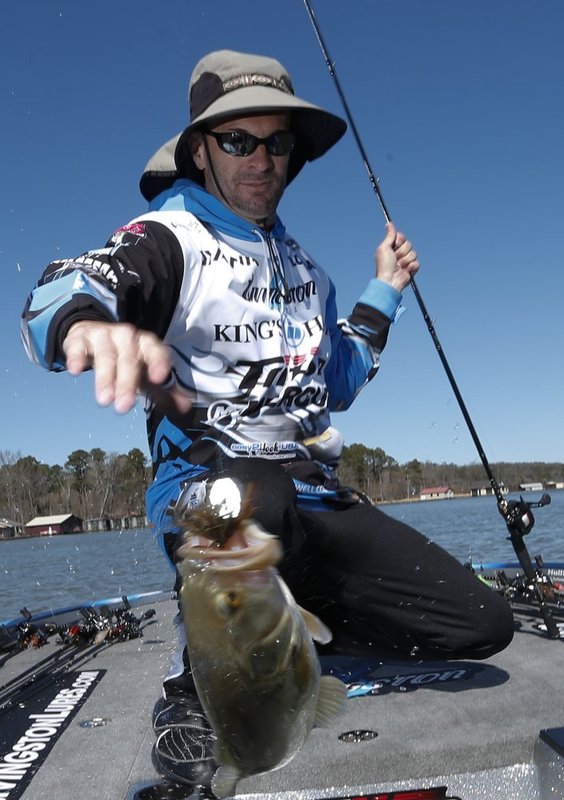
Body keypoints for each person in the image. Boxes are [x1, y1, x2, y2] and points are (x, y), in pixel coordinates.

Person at [21, 49, 514, 787]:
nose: (261, 160)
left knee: (482, 626)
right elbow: (65, 288)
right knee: (253, 492)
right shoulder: (169, 239)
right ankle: (191, 693)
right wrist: (87, 326)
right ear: (200, 150)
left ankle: (297, 628)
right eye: (238, 141)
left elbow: (337, 382)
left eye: (276, 142)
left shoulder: (309, 272)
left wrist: (385, 288)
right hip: (213, 497)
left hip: (314, 497)